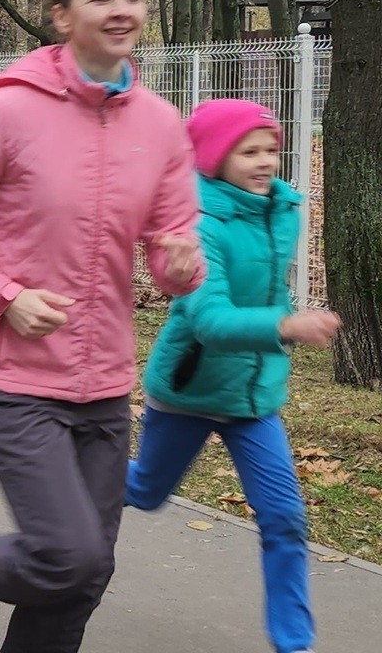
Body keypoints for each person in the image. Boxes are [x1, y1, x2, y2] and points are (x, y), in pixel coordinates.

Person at [0, 0, 205, 653]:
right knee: (69, 555)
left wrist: (183, 261)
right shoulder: (9, 112)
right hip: (16, 377)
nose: (122, 9)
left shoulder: (161, 126)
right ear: (63, 16)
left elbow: (172, 264)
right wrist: (1, 296)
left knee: (85, 574)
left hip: (102, 380)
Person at [125, 99, 341, 653]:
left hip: (253, 398)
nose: (266, 161)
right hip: (190, 389)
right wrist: (288, 325)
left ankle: (294, 642)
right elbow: (211, 319)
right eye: (249, 151)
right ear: (216, 159)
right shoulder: (199, 226)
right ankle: (78, 481)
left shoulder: (279, 211)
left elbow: (269, 289)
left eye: (271, 148)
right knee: (145, 493)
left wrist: (283, 317)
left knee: (285, 517)